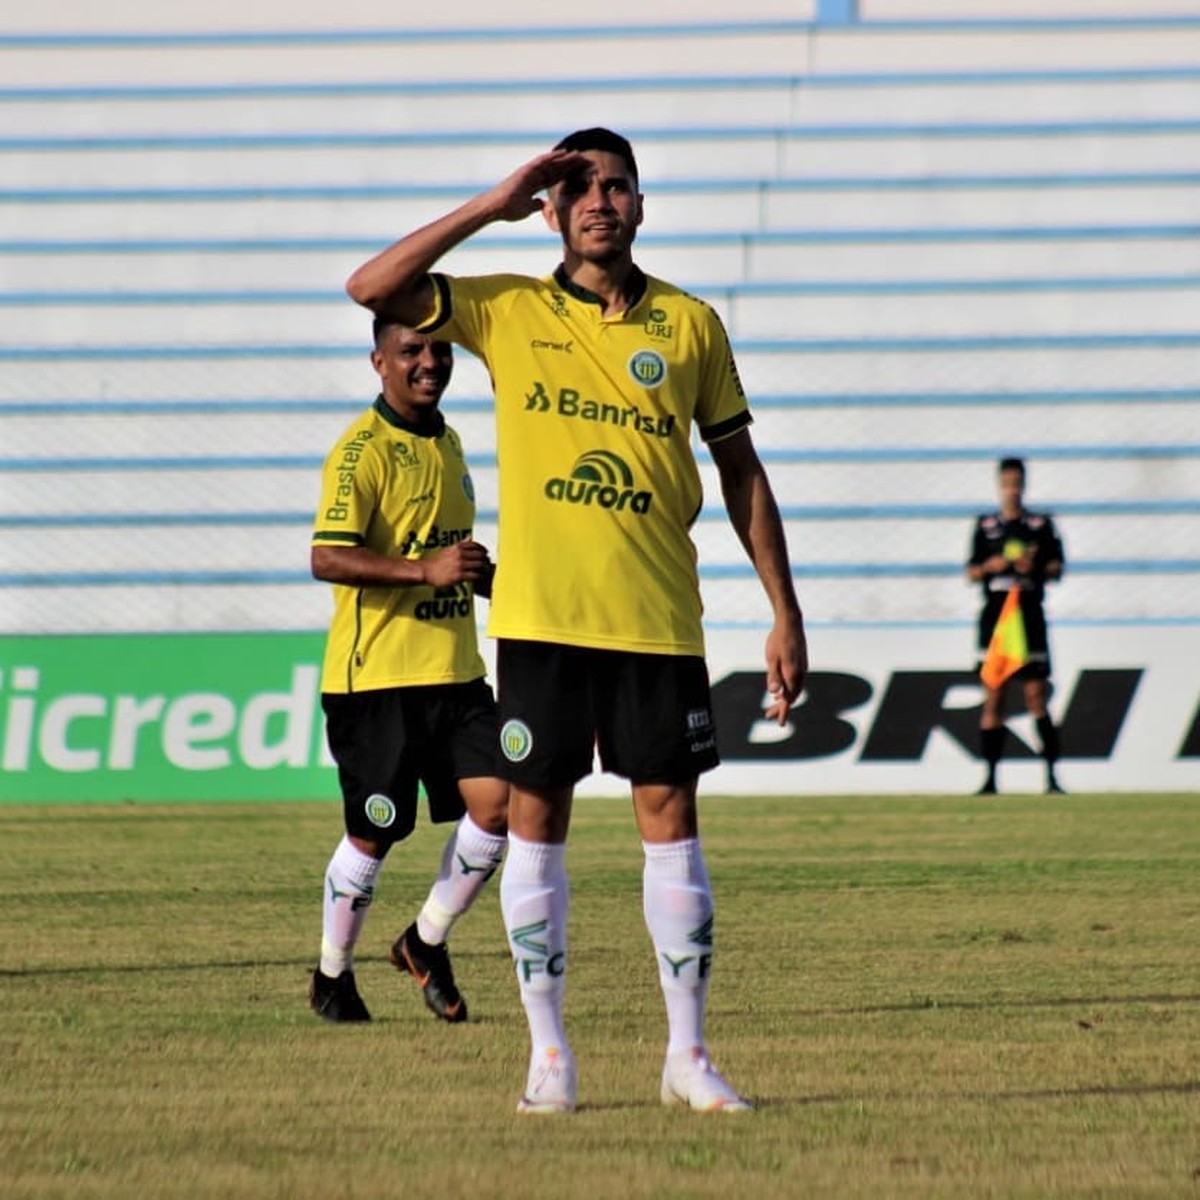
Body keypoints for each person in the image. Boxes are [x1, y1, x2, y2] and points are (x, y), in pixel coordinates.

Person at [344, 127, 808, 1113]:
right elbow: (370, 286)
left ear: (641, 206)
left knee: (671, 826)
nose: (601, 201)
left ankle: (688, 1056)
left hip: (657, 622)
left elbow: (740, 471)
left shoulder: (690, 325)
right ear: (552, 210)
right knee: (536, 823)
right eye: (581, 188)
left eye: (618, 186)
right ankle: (549, 1057)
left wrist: (784, 610)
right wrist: (494, 201)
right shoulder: (507, 306)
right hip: (543, 625)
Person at [308, 317, 508, 1025]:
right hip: (377, 682)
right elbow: (327, 556)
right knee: (376, 834)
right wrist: (425, 570)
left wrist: (479, 576)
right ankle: (332, 976)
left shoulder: (448, 442)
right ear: (379, 362)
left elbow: (443, 552)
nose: (429, 362)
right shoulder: (360, 450)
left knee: (502, 805)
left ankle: (424, 940)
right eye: (411, 351)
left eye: (439, 349)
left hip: (455, 673)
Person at [966, 456, 1066, 795]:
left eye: (1017, 483)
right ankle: (990, 779)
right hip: (998, 617)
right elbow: (971, 571)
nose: (1012, 490)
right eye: (1007, 484)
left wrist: (1033, 565)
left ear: (1024, 485)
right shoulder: (986, 526)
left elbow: (1057, 568)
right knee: (994, 696)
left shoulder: (1040, 525)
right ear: (1000, 486)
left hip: (1028, 613)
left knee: (1036, 695)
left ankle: (1051, 777)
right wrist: (991, 565)